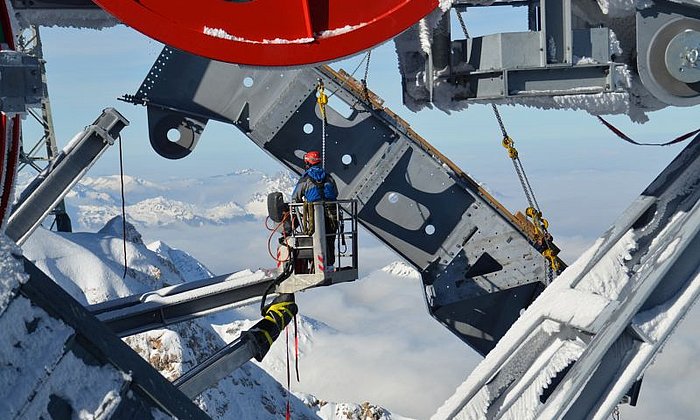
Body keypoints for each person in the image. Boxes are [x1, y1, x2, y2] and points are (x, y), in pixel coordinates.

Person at [291, 150, 339, 268]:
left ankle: (316, 264)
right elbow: (335, 193)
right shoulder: (329, 177)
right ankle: (329, 264)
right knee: (330, 238)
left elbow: (295, 197)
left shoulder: (305, 179)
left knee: (315, 237)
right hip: (331, 212)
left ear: (308, 163)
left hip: (314, 214)